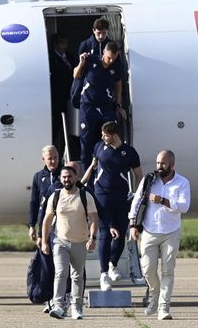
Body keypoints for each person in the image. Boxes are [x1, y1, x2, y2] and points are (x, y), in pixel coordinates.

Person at [129, 150, 191, 320]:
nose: (159, 166)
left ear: (172, 164)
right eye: (157, 163)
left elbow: (184, 206)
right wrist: (133, 225)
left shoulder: (182, 182)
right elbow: (136, 202)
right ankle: (154, 296)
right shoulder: (149, 180)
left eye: (163, 163)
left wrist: (163, 200)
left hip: (171, 232)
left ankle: (164, 307)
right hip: (149, 231)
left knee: (167, 271)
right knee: (147, 270)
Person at [81, 121, 142, 291]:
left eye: (105, 135)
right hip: (102, 195)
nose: (102, 137)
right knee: (105, 233)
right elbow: (92, 167)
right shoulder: (99, 147)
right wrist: (81, 183)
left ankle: (112, 264)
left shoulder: (129, 152)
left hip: (121, 196)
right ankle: (104, 274)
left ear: (114, 135)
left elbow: (139, 175)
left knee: (120, 234)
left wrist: (136, 195)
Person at [41, 166, 98, 320]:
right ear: (61, 179)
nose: (67, 179)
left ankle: (76, 307)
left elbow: (94, 218)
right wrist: (44, 241)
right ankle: (58, 306)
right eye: (64, 177)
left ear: (76, 177)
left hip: (80, 242)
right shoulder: (55, 196)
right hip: (60, 241)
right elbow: (47, 220)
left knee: (77, 275)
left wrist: (92, 238)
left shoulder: (85, 196)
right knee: (61, 273)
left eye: (70, 176)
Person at [73, 41, 127, 173]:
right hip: (88, 106)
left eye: (113, 58)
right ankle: (86, 174)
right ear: (103, 53)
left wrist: (118, 105)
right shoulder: (91, 60)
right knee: (86, 141)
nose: (110, 61)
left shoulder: (116, 67)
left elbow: (118, 85)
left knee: (112, 135)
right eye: (109, 57)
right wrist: (81, 63)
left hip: (106, 106)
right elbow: (76, 75)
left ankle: (110, 169)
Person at [49, 33, 78, 159]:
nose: (64, 47)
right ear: (55, 44)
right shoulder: (51, 57)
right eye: (61, 44)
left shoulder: (69, 56)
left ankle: (74, 154)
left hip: (70, 96)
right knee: (56, 128)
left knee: (72, 127)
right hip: (57, 97)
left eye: (65, 44)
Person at [28, 145, 62, 246]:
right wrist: (32, 225)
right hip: (45, 221)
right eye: (50, 158)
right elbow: (34, 202)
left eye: (55, 157)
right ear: (43, 160)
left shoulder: (65, 174)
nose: (53, 161)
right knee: (44, 250)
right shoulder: (38, 177)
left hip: (62, 222)